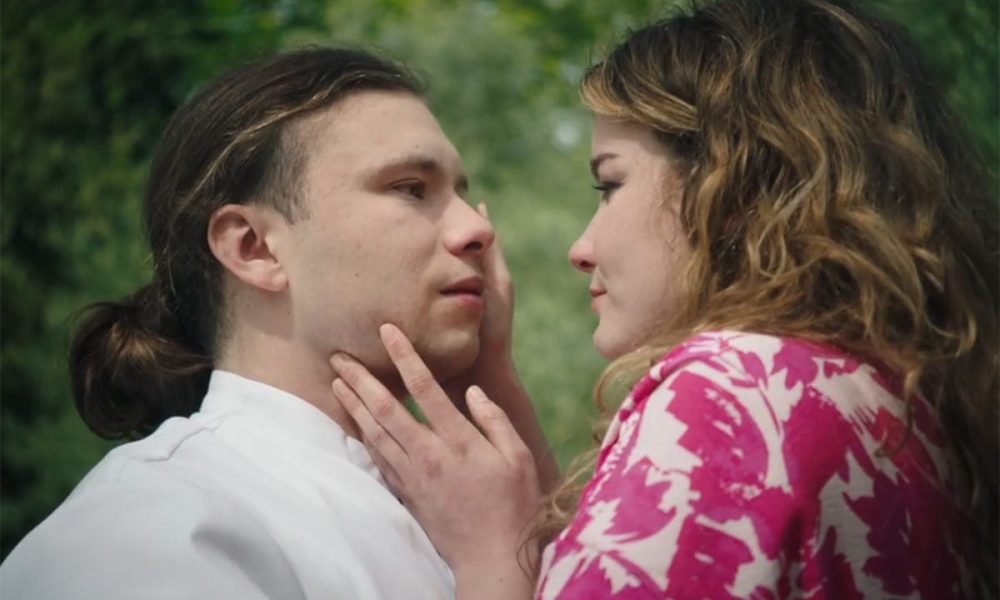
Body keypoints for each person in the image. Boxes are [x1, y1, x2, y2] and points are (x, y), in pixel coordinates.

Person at [330, 0, 999, 598]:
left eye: (610, 185)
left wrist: (488, 561)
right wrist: (491, 375)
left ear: (730, 189)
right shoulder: (888, 398)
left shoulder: (734, 394)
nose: (581, 248)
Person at [0, 47, 556, 599]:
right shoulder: (148, 528)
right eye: (411, 188)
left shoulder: (462, 506)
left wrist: (490, 381)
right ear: (255, 248)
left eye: (460, 194)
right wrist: (494, 565)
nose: (477, 229)